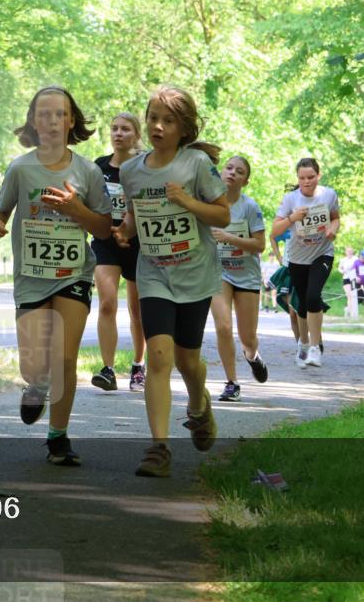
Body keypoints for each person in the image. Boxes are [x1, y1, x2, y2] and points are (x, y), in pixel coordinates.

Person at [0, 86, 112, 465]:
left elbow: (103, 229)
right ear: (33, 122)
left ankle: (58, 437)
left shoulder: (88, 171)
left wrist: (76, 209)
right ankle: (37, 384)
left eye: (60, 114)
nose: (52, 120)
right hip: (31, 275)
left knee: (65, 358)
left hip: (73, 274)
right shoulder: (20, 169)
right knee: (34, 366)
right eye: (44, 114)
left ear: (71, 121)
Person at [112, 85, 229, 478]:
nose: (158, 126)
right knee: (159, 356)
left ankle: (198, 406)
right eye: (153, 118)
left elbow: (222, 215)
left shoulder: (196, 163)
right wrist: (125, 231)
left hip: (195, 274)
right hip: (154, 274)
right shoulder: (131, 170)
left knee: (187, 361)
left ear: (183, 128)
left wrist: (187, 202)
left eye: (168, 121)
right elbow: (135, 215)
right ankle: (159, 447)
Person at [90, 113, 147, 392]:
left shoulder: (145, 167)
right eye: (114, 128)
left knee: (137, 311)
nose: (118, 133)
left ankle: (138, 365)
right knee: (107, 303)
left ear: (136, 135)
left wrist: (130, 228)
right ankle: (108, 370)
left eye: (125, 129)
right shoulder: (98, 167)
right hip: (105, 241)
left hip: (138, 243)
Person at [271, 158, 340, 368]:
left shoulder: (329, 195)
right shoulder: (291, 199)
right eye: (302, 178)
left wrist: (333, 229)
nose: (306, 181)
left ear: (319, 176)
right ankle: (303, 343)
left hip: (322, 254)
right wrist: (292, 218)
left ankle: (315, 348)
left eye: (311, 177)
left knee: (312, 296)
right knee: (301, 303)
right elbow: (275, 231)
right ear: (297, 178)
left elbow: (335, 217)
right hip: (298, 258)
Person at [210, 156, 268, 403]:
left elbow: (260, 245)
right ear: (221, 172)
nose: (233, 173)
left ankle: (252, 356)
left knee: (248, 338)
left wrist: (229, 238)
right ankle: (232, 383)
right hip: (218, 272)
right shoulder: (209, 204)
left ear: (245, 181)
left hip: (246, 275)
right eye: (229, 168)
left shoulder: (249, 207)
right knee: (223, 327)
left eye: (240, 171)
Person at [338, 247, 359, 318]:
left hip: (353, 279)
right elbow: (339, 268)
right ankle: (349, 312)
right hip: (346, 278)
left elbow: (358, 267)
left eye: (351, 251)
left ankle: (351, 311)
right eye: (348, 251)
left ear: (353, 252)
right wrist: (342, 271)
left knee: (353, 296)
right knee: (349, 295)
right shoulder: (343, 260)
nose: (349, 252)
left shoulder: (355, 259)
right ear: (346, 252)